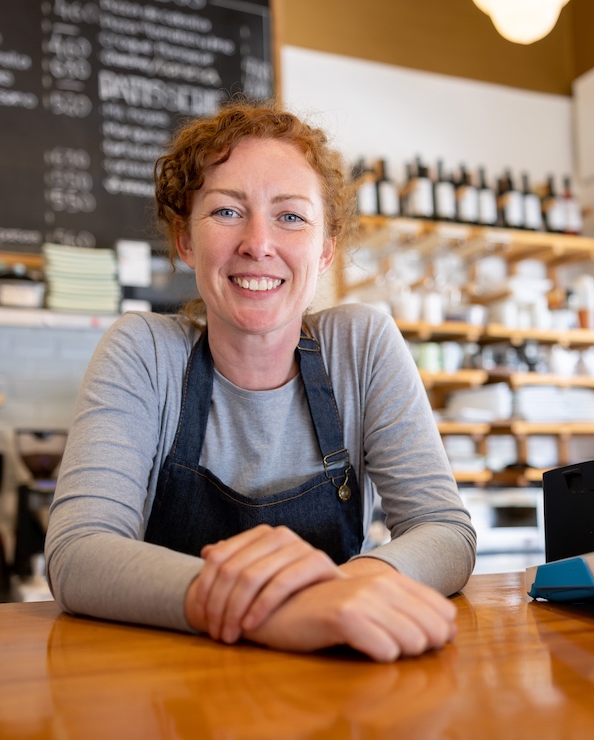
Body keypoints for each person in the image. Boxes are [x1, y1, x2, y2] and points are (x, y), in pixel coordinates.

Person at [44, 99, 477, 663]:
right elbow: (79, 552)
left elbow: (444, 532)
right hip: (166, 683)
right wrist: (278, 612)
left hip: (336, 674)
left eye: (291, 216)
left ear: (325, 250)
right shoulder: (145, 351)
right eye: (226, 211)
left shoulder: (361, 346)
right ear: (184, 239)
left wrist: (346, 590)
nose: (258, 242)